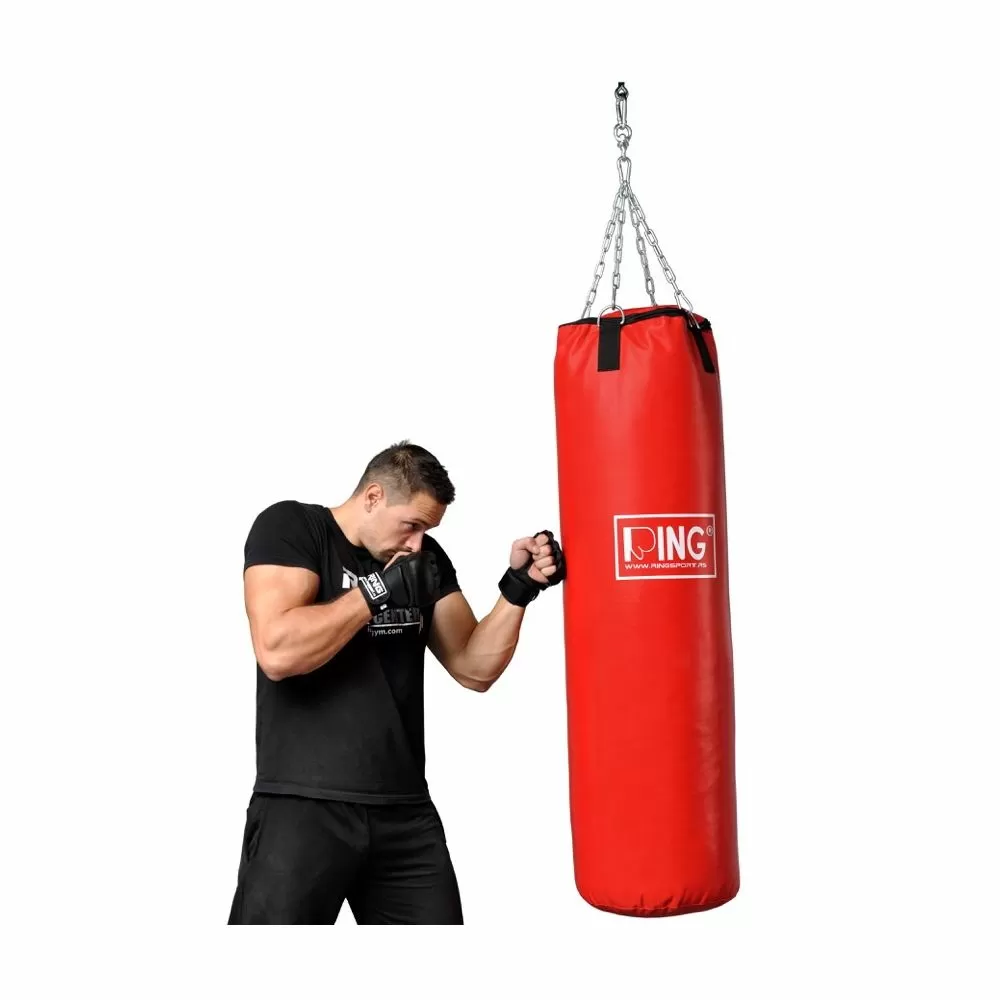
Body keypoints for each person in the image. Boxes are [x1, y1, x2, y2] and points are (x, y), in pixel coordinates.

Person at [227, 440, 566, 924]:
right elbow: (277, 652)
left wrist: (520, 588)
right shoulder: (292, 527)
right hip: (301, 806)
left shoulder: (420, 560)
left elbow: (473, 667)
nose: (417, 543)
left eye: (428, 530)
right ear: (373, 497)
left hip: (404, 811)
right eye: (412, 525)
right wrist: (376, 592)